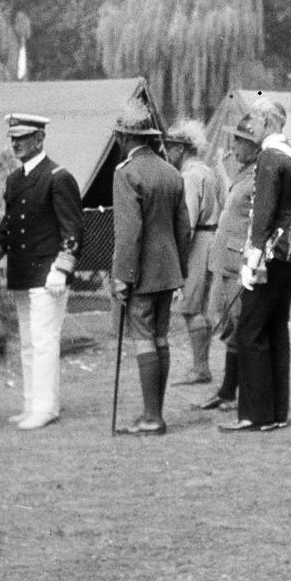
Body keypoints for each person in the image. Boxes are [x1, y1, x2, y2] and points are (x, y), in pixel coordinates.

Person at [0, 112, 82, 431]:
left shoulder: (59, 177)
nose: (15, 143)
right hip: (21, 271)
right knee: (29, 342)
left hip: (49, 275)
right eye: (13, 138)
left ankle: (46, 407)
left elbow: (72, 230)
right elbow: (9, 223)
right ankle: (31, 403)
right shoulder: (15, 179)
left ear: (40, 139)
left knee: (44, 342)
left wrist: (62, 268)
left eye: (22, 138)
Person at [220, 98, 291, 433]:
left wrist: (251, 258)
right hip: (290, 253)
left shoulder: (270, 156)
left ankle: (255, 414)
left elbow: (264, 213)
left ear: (268, 121)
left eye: (254, 121)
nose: (250, 128)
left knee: (251, 330)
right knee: (275, 330)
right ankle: (276, 412)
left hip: (269, 255)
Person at [110, 101, 190, 436]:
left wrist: (121, 276)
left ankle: (151, 416)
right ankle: (155, 413)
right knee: (160, 338)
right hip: (168, 269)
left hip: (140, 271)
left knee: (143, 339)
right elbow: (183, 228)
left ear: (126, 138)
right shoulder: (172, 171)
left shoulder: (126, 173)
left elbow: (129, 231)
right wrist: (179, 270)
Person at [193, 119, 260, 413]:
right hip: (225, 262)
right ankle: (227, 390)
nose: (234, 147)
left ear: (253, 145)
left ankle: (236, 391)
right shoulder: (244, 175)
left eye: (239, 142)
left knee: (238, 326)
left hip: (238, 264)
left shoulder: (258, 177)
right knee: (226, 323)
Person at [165, 119, 225, 386]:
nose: (168, 153)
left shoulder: (189, 176)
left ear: (181, 148)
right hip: (212, 238)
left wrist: (177, 258)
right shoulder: (208, 171)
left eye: (171, 147)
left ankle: (200, 367)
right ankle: (201, 365)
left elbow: (185, 221)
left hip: (198, 241)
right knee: (199, 305)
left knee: (191, 306)